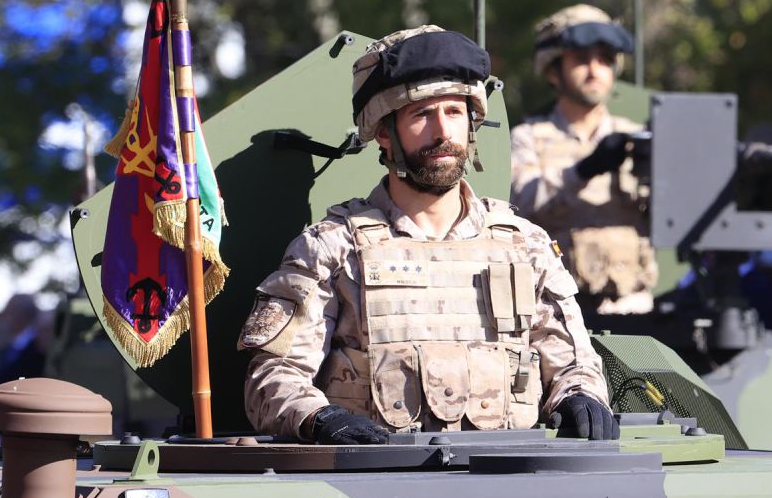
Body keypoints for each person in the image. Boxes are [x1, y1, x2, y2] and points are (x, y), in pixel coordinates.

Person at [238, 26, 616, 444]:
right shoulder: (331, 249)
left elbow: (575, 364)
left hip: (507, 473)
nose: (443, 132)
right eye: (421, 114)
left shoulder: (525, 247)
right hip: (378, 474)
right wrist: (318, 418)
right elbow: (274, 376)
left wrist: (579, 396)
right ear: (384, 132)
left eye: (454, 112)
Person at [509, 5, 655, 315]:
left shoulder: (636, 137)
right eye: (581, 60)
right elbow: (518, 204)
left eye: (604, 60)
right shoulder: (529, 137)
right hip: (555, 310)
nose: (594, 70)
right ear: (553, 71)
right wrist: (582, 171)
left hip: (632, 305)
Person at [0, 293, 49, 387]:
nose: (4, 318)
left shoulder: (40, 348)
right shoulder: (7, 349)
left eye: (8, 312)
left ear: (21, 316)